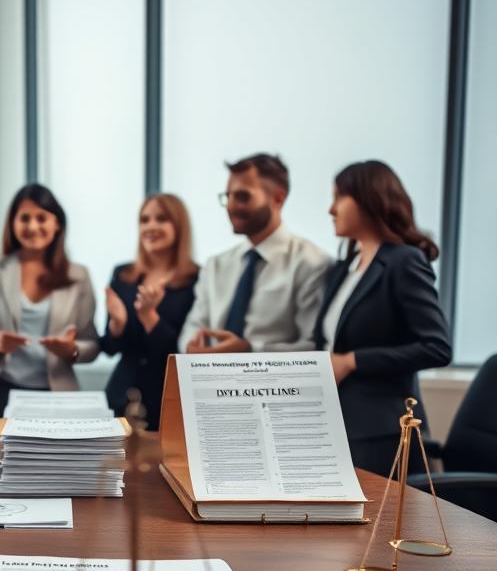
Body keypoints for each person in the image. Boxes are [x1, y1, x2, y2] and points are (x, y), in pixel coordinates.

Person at [313, 160, 452, 475]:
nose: (330, 209)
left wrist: (352, 361)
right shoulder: (343, 269)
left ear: (367, 199)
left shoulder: (404, 262)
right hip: (336, 420)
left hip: (381, 431)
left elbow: (436, 347)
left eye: (338, 198)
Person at [0, 183, 100, 428]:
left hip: (56, 395)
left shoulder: (79, 276)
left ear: (57, 224)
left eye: (41, 218)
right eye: (24, 218)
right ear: (12, 224)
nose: (33, 226)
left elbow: (93, 345)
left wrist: (71, 349)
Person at [180, 153, 331, 353]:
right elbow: (192, 328)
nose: (232, 206)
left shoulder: (312, 264)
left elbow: (314, 346)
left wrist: (249, 351)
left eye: (242, 196)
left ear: (278, 198)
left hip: (276, 383)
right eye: (228, 196)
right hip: (210, 380)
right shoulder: (215, 265)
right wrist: (192, 347)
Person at [102, 193, 198, 428]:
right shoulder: (123, 274)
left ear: (179, 226)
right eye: (144, 220)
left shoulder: (197, 279)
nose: (151, 226)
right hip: (120, 395)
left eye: (161, 219)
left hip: (167, 400)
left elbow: (181, 353)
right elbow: (109, 347)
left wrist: (148, 316)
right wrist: (118, 324)